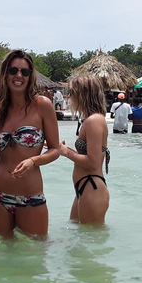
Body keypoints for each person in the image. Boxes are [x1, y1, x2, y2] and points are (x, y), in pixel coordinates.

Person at [0, 50, 59, 239]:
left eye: (24, 72)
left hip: (30, 198)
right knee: (2, 259)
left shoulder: (42, 105)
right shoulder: (0, 109)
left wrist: (33, 161)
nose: (19, 76)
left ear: (30, 76)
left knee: (35, 257)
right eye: (13, 71)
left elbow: (56, 150)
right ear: (5, 74)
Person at [59, 76, 110, 224]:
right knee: (79, 237)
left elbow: (92, 162)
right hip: (85, 187)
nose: (70, 97)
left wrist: (65, 152)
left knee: (92, 241)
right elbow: (88, 155)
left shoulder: (94, 121)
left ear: (82, 95)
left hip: (92, 187)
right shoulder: (91, 119)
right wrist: (63, 148)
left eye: (72, 93)